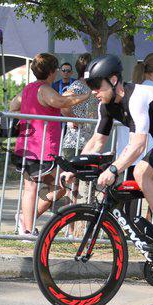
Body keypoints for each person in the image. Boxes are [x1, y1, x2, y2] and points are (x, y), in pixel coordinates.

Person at [61, 54, 153, 253]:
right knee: (148, 187)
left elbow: (138, 145)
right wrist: (74, 168)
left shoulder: (136, 97)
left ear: (113, 80)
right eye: (90, 86)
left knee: (141, 172)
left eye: (96, 85)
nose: (93, 91)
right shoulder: (106, 106)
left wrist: (113, 169)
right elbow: (97, 141)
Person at [9, 53, 90, 237]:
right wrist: (86, 95)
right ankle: (27, 226)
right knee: (58, 184)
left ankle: (26, 225)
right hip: (42, 148)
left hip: (28, 146)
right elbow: (61, 102)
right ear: (52, 72)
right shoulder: (44, 89)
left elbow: (13, 105)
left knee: (37, 187)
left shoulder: (28, 88)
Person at [60, 53, 99, 208]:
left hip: (88, 141)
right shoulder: (77, 86)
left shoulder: (91, 87)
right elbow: (63, 104)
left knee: (83, 185)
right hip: (75, 141)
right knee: (73, 185)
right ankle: (68, 218)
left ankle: (78, 216)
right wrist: (74, 119)